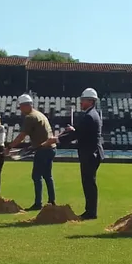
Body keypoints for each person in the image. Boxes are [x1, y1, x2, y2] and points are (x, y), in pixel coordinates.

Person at [47, 88, 104, 220]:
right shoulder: (92, 115)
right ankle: (90, 210)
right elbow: (81, 131)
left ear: (90, 101)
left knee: (89, 183)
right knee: (89, 182)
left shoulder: (89, 116)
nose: (81, 103)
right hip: (92, 153)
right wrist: (73, 130)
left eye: (83, 100)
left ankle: (91, 212)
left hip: (90, 154)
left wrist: (58, 139)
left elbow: (78, 133)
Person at [5, 94, 56, 211]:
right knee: (48, 176)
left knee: (36, 176)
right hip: (51, 148)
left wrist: (9, 147)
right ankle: (52, 201)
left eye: (21, 107)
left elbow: (21, 136)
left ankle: (38, 203)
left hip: (42, 149)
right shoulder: (40, 114)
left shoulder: (30, 117)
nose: (20, 110)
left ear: (26, 105)